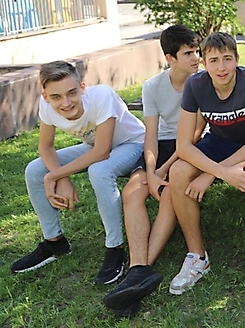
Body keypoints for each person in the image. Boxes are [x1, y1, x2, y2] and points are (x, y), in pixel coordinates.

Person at [167, 32, 245, 301]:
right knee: (178, 171)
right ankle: (197, 257)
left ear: (237, 59)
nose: (222, 67)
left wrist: (209, 175)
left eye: (227, 59)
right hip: (218, 143)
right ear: (204, 63)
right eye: (214, 60)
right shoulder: (195, 85)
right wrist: (219, 171)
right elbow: (183, 145)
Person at [11, 61, 145, 289]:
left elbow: (102, 152)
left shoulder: (101, 95)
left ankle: (116, 248)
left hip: (132, 144)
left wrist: (52, 177)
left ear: (82, 87)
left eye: (72, 93)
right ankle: (55, 242)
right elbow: (45, 147)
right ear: (45, 96)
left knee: (99, 170)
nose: (66, 103)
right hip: (94, 147)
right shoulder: (46, 106)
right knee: (35, 169)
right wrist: (61, 177)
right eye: (56, 97)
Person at [102, 25, 204, 316]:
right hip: (162, 146)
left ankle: (139, 271)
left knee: (170, 194)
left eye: (196, 51)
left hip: (192, 147)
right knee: (132, 192)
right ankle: (138, 268)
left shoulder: (202, 83)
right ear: (170, 58)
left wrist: (164, 172)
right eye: (188, 53)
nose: (196, 58)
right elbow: (150, 136)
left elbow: (194, 135)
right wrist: (150, 171)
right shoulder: (153, 86)